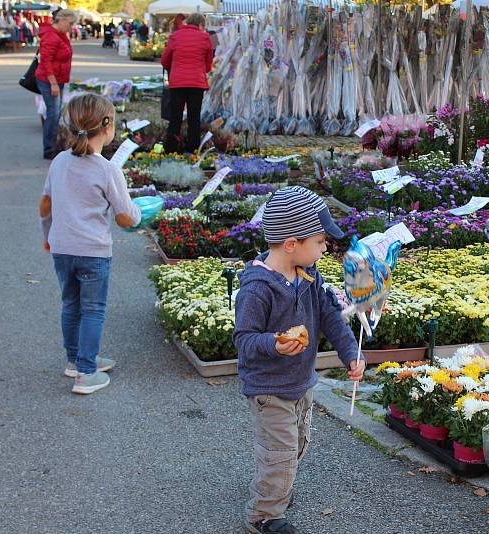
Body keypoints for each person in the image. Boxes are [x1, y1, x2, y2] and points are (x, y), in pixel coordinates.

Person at [233, 186, 364, 534]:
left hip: (300, 383)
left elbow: (332, 316)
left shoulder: (308, 276)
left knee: (296, 444)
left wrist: (350, 352)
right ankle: (264, 515)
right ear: (291, 244)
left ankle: (277, 486)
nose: (325, 248)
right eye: (320, 242)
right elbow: (244, 340)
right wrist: (274, 344)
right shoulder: (257, 288)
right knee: (280, 452)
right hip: (269, 388)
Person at [39, 94, 142, 395]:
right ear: (108, 128)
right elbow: (124, 217)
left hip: (61, 247)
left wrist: (47, 236)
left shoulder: (59, 161)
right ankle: (86, 372)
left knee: (70, 304)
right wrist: (139, 214)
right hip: (93, 251)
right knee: (93, 308)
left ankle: (75, 359)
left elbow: (45, 205)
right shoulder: (108, 169)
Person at [160, 12, 214, 154]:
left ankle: (171, 149)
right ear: (201, 25)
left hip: (177, 83)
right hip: (196, 83)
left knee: (175, 117)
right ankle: (193, 150)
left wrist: (174, 68)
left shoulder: (175, 36)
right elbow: (208, 64)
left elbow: (164, 59)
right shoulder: (205, 38)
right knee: (194, 118)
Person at [35, 8, 76, 160]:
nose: (71, 27)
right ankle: (49, 149)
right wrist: (53, 83)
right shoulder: (51, 36)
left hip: (58, 79)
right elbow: (46, 61)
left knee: (55, 113)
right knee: (53, 114)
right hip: (49, 80)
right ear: (62, 20)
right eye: (70, 23)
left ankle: (53, 145)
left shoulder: (60, 35)